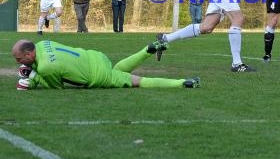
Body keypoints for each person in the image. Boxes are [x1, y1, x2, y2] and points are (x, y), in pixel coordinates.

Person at [12, 39, 199, 90]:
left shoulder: (44, 67)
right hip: (96, 57)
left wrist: (34, 78)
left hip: (97, 75)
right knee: (118, 70)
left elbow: (56, 87)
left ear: (29, 54)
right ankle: (147, 50)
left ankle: (183, 83)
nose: (18, 62)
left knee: (137, 81)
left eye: (20, 59)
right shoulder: (44, 44)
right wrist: (32, 70)